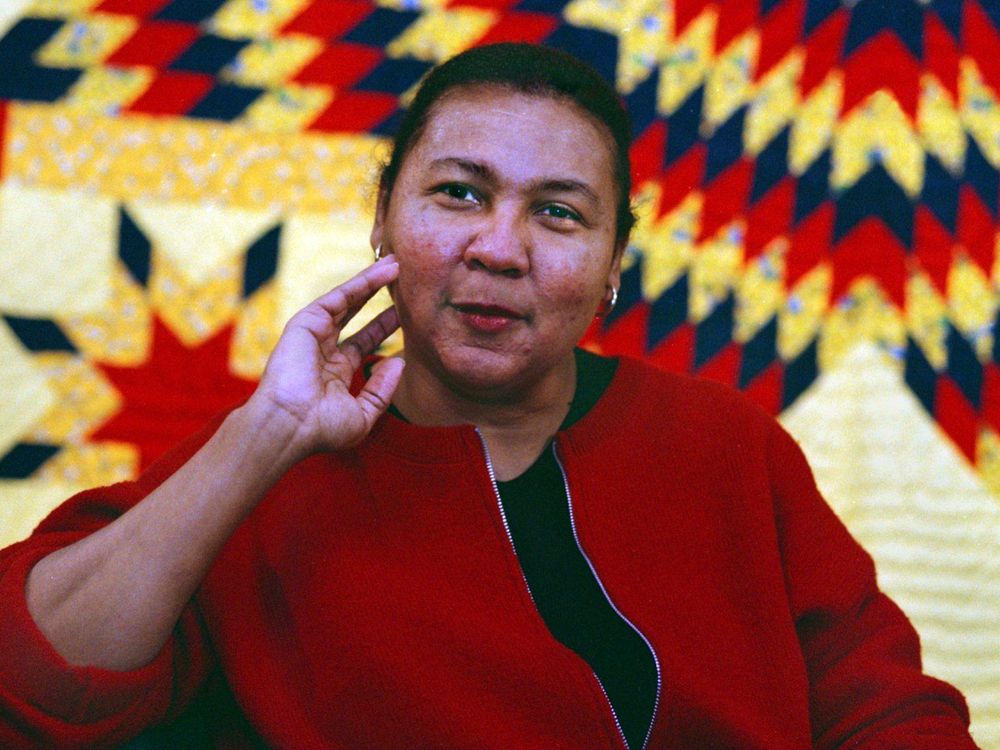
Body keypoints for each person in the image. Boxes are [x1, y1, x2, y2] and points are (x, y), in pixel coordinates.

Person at [0, 43, 979, 750]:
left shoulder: (725, 444)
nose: (499, 248)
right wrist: (267, 432)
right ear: (382, 214)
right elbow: (38, 683)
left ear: (611, 270)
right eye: (458, 193)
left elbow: (884, 708)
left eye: (557, 213)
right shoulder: (263, 473)